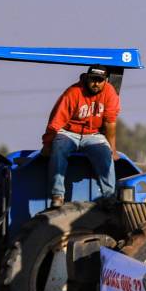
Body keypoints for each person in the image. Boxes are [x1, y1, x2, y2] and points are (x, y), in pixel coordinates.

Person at [42, 65, 121, 206]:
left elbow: (110, 123)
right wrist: (48, 143)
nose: (96, 83)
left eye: (100, 80)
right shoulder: (73, 92)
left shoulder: (110, 93)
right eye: (93, 79)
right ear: (86, 78)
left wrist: (112, 149)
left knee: (105, 154)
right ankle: (57, 195)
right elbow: (56, 121)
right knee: (59, 148)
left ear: (106, 81)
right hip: (68, 132)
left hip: (93, 134)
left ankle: (109, 197)